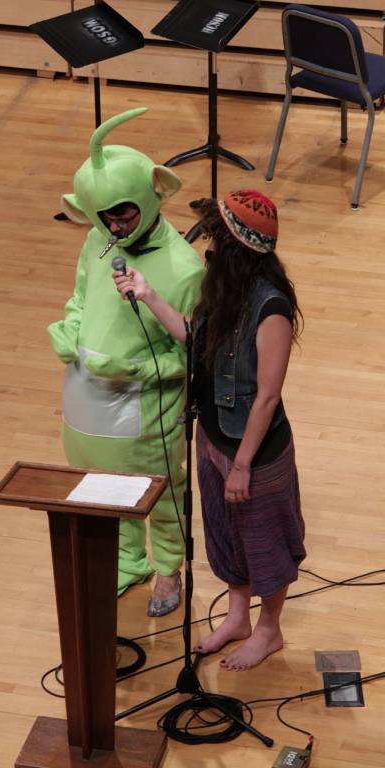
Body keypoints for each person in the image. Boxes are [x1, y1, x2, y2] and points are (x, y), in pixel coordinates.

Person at [113, 189, 306, 668]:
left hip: (254, 453)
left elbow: (267, 396)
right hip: (213, 438)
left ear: (237, 250)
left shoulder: (272, 308)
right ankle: (238, 618)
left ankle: (269, 630)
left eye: (217, 240)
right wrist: (148, 294)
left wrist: (242, 466)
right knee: (226, 535)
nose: (209, 248)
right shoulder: (221, 290)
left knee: (264, 544)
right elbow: (194, 338)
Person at [47, 108, 204, 615]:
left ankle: (168, 570)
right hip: (87, 399)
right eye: (104, 218)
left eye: (124, 215)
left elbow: (193, 352)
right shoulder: (98, 241)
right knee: (100, 484)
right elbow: (80, 297)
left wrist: (135, 371)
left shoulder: (184, 268)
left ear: (154, 193)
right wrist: (70, 329)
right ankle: (127, 559)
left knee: (160, 491)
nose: (115, 226)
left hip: (145, 410)